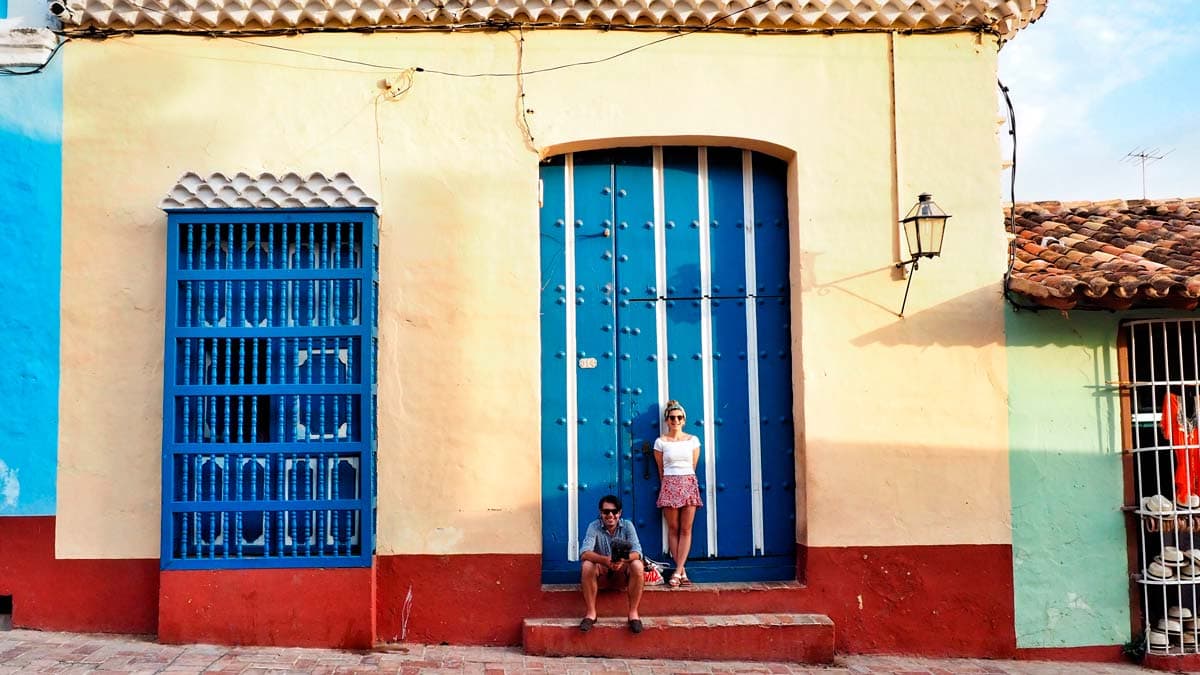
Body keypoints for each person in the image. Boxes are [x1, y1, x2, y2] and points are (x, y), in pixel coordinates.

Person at [578, 494, 645, 634]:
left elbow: (638, 553)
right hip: (602, 569)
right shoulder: (593, 526)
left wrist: (622, 559)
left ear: (619, 513)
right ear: (600, 513)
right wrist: (605, 560)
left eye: (614, 511)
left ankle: (633, 614)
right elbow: (584, 553)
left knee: (638, 565)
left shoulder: (628, 526)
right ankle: (591, 614)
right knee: (587, 565)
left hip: (623, 569)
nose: (610, 515)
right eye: (606, 511)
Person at [654, 400, 702, 588]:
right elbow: (660, 470)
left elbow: (693, 465)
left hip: (688, 483)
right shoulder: (660, 442)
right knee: (673, 529)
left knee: (686, 529)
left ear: (684, 420)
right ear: (667, 420)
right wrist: (668, 486)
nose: (676, 420)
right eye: (672, 417)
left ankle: (677, 571)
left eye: (679, 417)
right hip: (669, 484)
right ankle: (682, 572)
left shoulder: (693, 440)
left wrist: (685, 482)